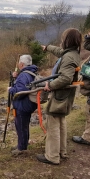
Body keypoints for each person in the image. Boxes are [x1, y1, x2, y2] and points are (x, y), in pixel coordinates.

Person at [36, 28, 82, 165]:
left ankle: (52, 156)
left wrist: (50, 85)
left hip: (60, 95)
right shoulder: (72, 53)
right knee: (61, 122)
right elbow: (60, 52)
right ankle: (62, 152)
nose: (61, 41)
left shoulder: (68, 58)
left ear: (67, 41)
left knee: (53, 124)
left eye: (63, 38)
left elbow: (65, 78)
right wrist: (47, 48)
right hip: (64, 95)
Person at [8, 55, 38, 154]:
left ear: (21, 64)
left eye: (19, 63)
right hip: (29, 104)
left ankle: (21, 148)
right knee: (24, 126)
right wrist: (16, 78)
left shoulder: (23, 75)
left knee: (20, 126)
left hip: (23, 105)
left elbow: (21, 91)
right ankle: (23, 144)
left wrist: (11, 89)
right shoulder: (31, 73)